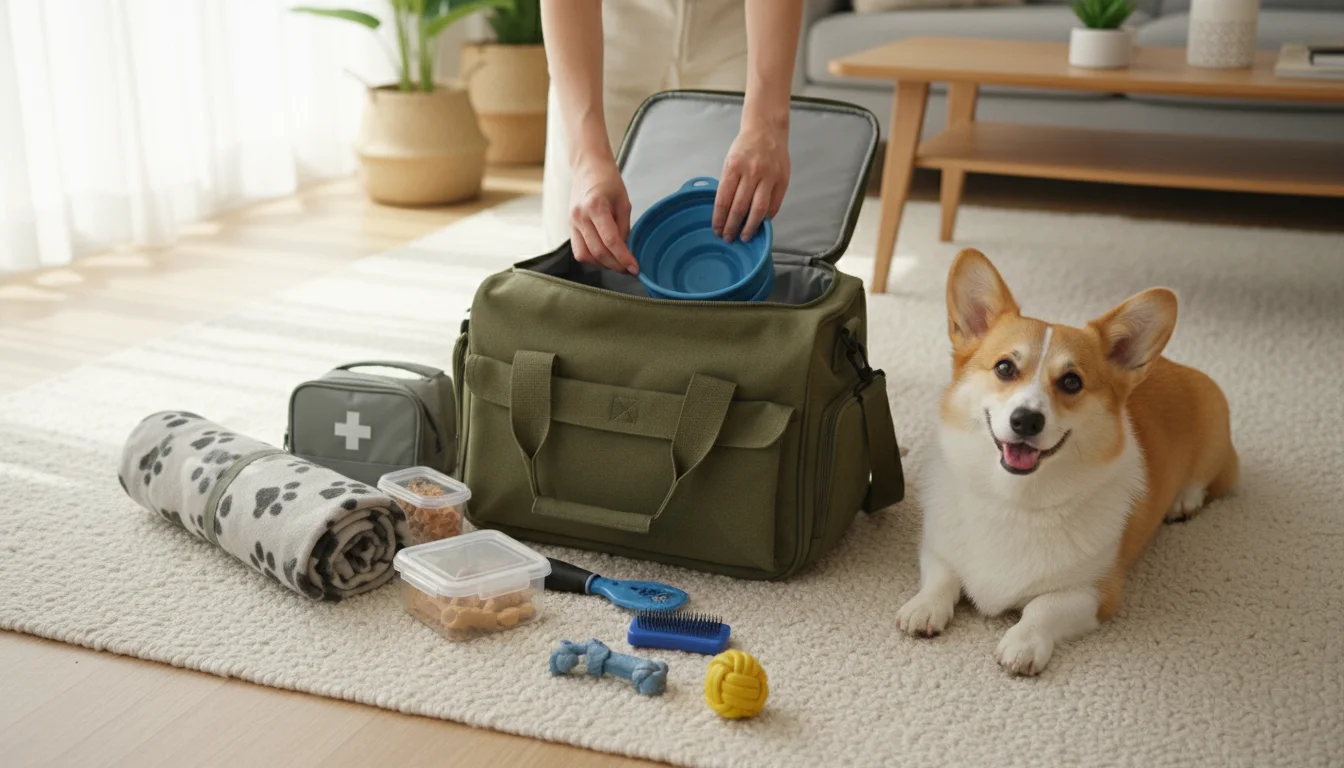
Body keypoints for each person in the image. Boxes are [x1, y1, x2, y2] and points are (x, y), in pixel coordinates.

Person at [539, 0, 804, 275]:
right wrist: (586, 160)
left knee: (752, 255)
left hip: (738, 40)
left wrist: (766, 123)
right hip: (601, 42)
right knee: (577, 260)